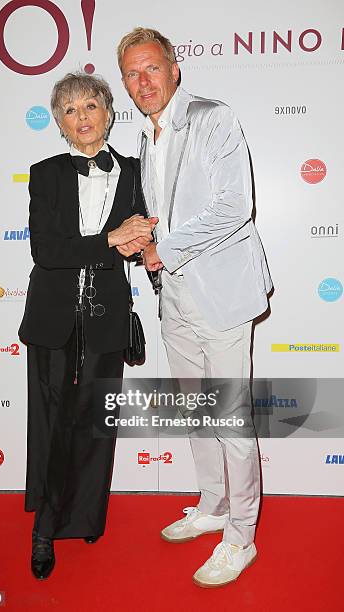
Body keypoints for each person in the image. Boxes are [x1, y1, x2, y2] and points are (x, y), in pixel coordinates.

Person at [117, 28, 273, 588]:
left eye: (152, 68)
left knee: (230, 418)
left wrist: (167, 247)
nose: (143, 82)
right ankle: (211, 504)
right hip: (174, 298)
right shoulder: (144, 139)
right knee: (196, 412)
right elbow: (168, 213)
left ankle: (241, 534)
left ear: (174, 69)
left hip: (222, 294)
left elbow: (235, 205)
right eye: (133, 74)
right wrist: (143, 238)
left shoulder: (213, 117)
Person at [18, 71, 157, 580]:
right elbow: (47, 251)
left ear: (107, 111)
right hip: (53, 318)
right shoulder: (45, 173)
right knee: (54, 424)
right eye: (70, 110)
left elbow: (141, 240)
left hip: (105, 317)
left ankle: (85, 515)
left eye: (89, 106)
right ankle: (45, 529)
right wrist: (108, 241)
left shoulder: (138, 172)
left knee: (98, 422)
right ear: (59, 122)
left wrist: (141, 239)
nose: (82, 117)